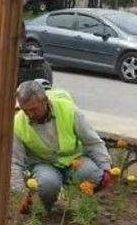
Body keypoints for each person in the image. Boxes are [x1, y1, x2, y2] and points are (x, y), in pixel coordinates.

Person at [11, 80, 111, 212]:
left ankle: (83, 204)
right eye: (25, 110)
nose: (30, 114)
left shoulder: (68, 109)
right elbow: (15, 163)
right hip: (43, 164)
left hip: (74, 159)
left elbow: (92, 142)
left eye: (34, 109)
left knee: (93, 174)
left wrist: (106, 168)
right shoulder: (18, 123)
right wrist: (19, 195)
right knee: (48, 184)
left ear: (44, 101)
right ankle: (46, 207)